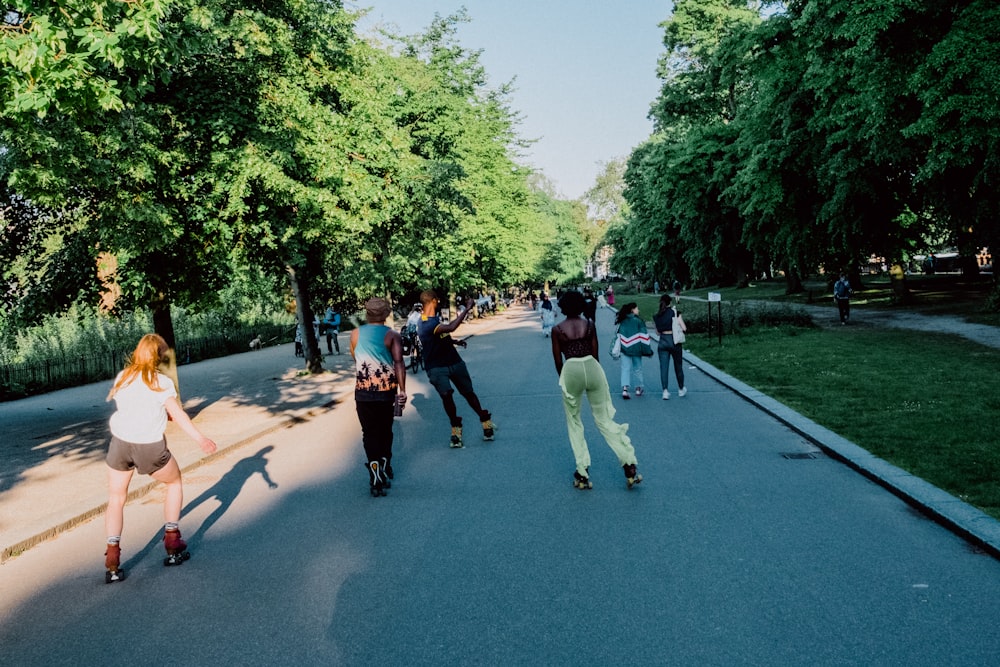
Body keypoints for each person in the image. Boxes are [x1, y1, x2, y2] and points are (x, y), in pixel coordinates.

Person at [103, 334, 218, 583]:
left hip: (120, 444)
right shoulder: (161, 382)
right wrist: (201, 439)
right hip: (149, 446)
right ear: (159, 356)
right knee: (174, 482)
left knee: (116, 498)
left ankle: (112, 557)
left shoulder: (123, 377)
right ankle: (172, 541)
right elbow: (177, 415)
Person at [551, 291, 642, 490]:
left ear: (563, 307)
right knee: (604, 420)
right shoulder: (590, 325)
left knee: (574, 421)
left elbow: (558, 361)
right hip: (592, 367)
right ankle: (629, 464)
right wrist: (596, 377)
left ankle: (582, 471)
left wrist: (565, 380)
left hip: (571, 370)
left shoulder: (558, 329)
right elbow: (595, 354)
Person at [418, 289, 496, 448]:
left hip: (454, 362)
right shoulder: (425, 322)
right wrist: (467, 308)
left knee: (468, 393)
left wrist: (454, 342)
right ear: (434, 300)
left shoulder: (432, 319)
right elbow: (451, 327)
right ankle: (456, 430)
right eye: (438, 300)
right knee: (447, 396)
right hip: (436, 367)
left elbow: (439, 336)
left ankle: (485, 421)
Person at [350, 298, 406, 497]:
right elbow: (398, 363)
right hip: (385, 393)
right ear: (386, 314)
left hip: (363, 393)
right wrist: (402, 390)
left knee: (368, 433)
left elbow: (355, 358)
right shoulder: (392, 335)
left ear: (367, 314)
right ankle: (384, 464)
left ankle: (374, 468)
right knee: (385, 432)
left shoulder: (355, 334)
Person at [653, 294, 687, 400]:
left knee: (664, 367)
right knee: (678, 366)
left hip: (663, 342)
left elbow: (657, 333)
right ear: (670, 303)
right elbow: (684, 328)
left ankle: (665, 391)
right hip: (675, 342)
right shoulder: (675, 313)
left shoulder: (657, 316)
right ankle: (681, 389)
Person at [615, 302, 652, 399]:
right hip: (637, 349)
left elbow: (619, 334)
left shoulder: (622, 320)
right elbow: (644, 337)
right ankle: (638, 388)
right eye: (637, 308)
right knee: (637, 368)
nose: (638, 310)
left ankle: (625, 389)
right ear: (632, 310)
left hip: (624, 348)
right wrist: (648, 351)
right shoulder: (639, 321)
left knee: (625, 368)